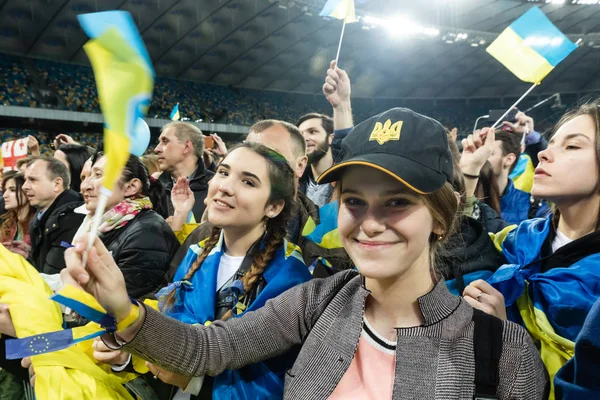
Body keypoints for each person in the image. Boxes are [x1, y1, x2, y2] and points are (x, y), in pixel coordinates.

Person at [63, 108, 547, 399]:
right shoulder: (318, 301)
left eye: (398, 202)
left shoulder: (504, 352)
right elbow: (210, 348)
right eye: (355, 201)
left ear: (440, 219)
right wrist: (123, 309)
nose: (370, 222)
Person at [95, 142, 312, 399]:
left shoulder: (290, 277)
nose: (225, 187)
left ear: (273, 207)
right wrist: (130, 354)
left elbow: (279, 384)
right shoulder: (197, 254)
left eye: (248, 182)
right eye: (223, 172)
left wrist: (196, 382)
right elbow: (172, 333)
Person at [458, 101, 600, 395]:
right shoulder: (518, 240)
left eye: (572, 147)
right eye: (553, 143)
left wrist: (506, 341)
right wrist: (469, 173)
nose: (544, 154)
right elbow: (449, 243)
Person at [169, 120, 352, 279]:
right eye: (224, 172)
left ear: (300, 165)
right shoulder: (203, 236)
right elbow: (163, 296)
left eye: (270, 155)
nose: (252, 159)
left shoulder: (324, 243)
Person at [76, 151, 178, 298]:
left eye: (98, 175)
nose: (85, 186)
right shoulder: (100, 224)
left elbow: (121, 307)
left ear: (131, 187)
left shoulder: (147, 234)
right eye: (85, 177)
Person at [23, 157, 85, 274]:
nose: (24, 186)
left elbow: (52, 276)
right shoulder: (42, 215)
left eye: (32, 179)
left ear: (57, 184)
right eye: (25, 179)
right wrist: (26, 256)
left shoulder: (72, 218)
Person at [486, 128, 549, 225]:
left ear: (509, 159)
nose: (480, 157)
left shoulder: (534, 209)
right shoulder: (464, 200)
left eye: (489, 153)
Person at [155, 122, 214, 222]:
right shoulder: (154, 188)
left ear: (186, 147)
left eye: (165, 141)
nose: (157, 149)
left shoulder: (215, 187)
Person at [297, 113, 337, 207]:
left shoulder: (345, 179)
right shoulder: (295, 180)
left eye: (312, 131)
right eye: (300, 134)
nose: (304, 138)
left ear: (331, 139)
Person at [0, 171, 36, 258]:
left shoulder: (38, 223)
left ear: (27, 192)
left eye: (12, 190)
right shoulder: (8, 223)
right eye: (5, 190)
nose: (5, 195)